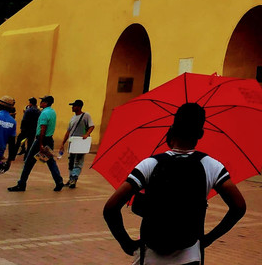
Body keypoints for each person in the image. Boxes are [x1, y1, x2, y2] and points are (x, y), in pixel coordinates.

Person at [104, 102, 246, 264]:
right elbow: (239, 207)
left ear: (172, 130)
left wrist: (126, 243)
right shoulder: (211, 166)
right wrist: (208, 239)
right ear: (200, 134)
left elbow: (110, 208)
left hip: (151, 255)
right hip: (190, 256)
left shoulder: (150, 164)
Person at [8, 94, 65, 192]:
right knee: (50, 162)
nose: (41, 102)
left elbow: (43, 128)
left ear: (46, 103)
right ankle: (59, 181)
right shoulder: (52, 112)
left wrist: (40, 144)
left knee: (28, 163)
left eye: (42, 101)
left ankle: (21, 184)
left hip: (41, 140)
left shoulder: (44, 113)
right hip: (49, 139)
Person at [60, 99, 94, 188]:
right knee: (71, 161)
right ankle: (71, 178)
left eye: (74, 106)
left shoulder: (86, 115)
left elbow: (91, 126)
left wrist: (86, 134)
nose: (72, 107)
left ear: (79, 107)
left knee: (78, 161)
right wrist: (63, 143)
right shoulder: (73, 118)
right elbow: (68, 131)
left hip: (80, 142)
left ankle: (74, 178)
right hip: (72, 142)